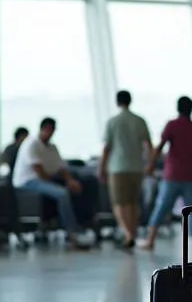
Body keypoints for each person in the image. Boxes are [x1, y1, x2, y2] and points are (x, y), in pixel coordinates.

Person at [12, 117, 92, 249]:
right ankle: (70, 231)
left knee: (78, 185)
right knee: (62, 194)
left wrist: (70, 180)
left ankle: (82, 222)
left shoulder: (52, 147)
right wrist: (60, 183)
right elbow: (39, 173)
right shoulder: (31, 144)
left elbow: (61, 167)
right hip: (28, 181)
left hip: (45, 178)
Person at [141, 95, 192, 251]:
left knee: (162, 206)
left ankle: (150, 240)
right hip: (191, 174)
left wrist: (150, 164)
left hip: (172, 174)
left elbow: (160, 146)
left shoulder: (172, 125)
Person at [99, 90, 152, 249]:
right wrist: (149, 163)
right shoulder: (140, 120)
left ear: (117, 102)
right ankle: (133, 232)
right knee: (133, 202)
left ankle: (128, 234)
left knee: (118, 203)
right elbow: (148, 145)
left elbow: (107, 148)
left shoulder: (112, 122)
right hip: (137, 167)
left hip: (117, 168)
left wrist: (101, 168)